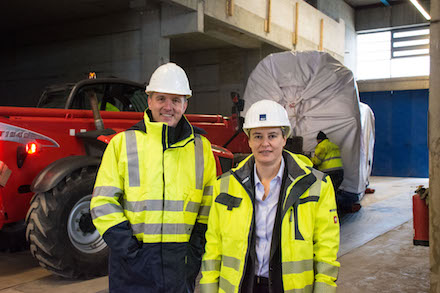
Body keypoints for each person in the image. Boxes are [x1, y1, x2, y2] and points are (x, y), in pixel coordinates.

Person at [90, 62, 217, 292]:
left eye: (176, 100)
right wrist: (130, 250)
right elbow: (102, 204)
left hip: (180, 262)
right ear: (149, 101)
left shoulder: (202, 148)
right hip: (132, 263)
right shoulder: (122, 144)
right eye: (161, 99)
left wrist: (194, 251)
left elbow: (208, 207)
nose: (168, 107)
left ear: (185, 104)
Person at [200, 100, 340, 293]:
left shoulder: (316, 185)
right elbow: (213, 245)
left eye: (272, 136)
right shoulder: (225, 185)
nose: (265, 144)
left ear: (284, 138)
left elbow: (327, 248)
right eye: (257, 136)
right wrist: (208, 288)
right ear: (248, 140)